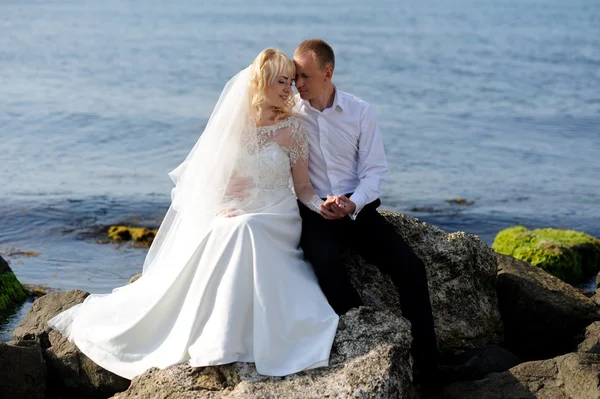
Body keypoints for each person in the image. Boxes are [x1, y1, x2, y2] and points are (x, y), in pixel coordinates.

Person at [47, 48, 339, 380]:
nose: (289, 89)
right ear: (261, 82)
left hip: (277, 215)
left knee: (244, 230)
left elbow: (302, 188)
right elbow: (214, 179)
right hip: (241, 212)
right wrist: (223, 204)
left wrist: (323, 206)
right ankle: (216, 332)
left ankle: (242, 337)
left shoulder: (294, 129)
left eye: (291, 81)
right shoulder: (236, 124)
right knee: (227, 229)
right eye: (281, 81)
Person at [292, 39, 439, 381]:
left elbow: (375, 172)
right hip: (315, 212)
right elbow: (296, 182)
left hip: (358, 210)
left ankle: (429, 370)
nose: (298, 83)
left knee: (412, 268)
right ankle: (373, 345)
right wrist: (321, 205)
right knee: (326, 265)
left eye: (305, 76)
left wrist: (352, 202)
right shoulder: (291, 114)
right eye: (295, 76)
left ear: (328, 73)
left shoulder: (361, 112)